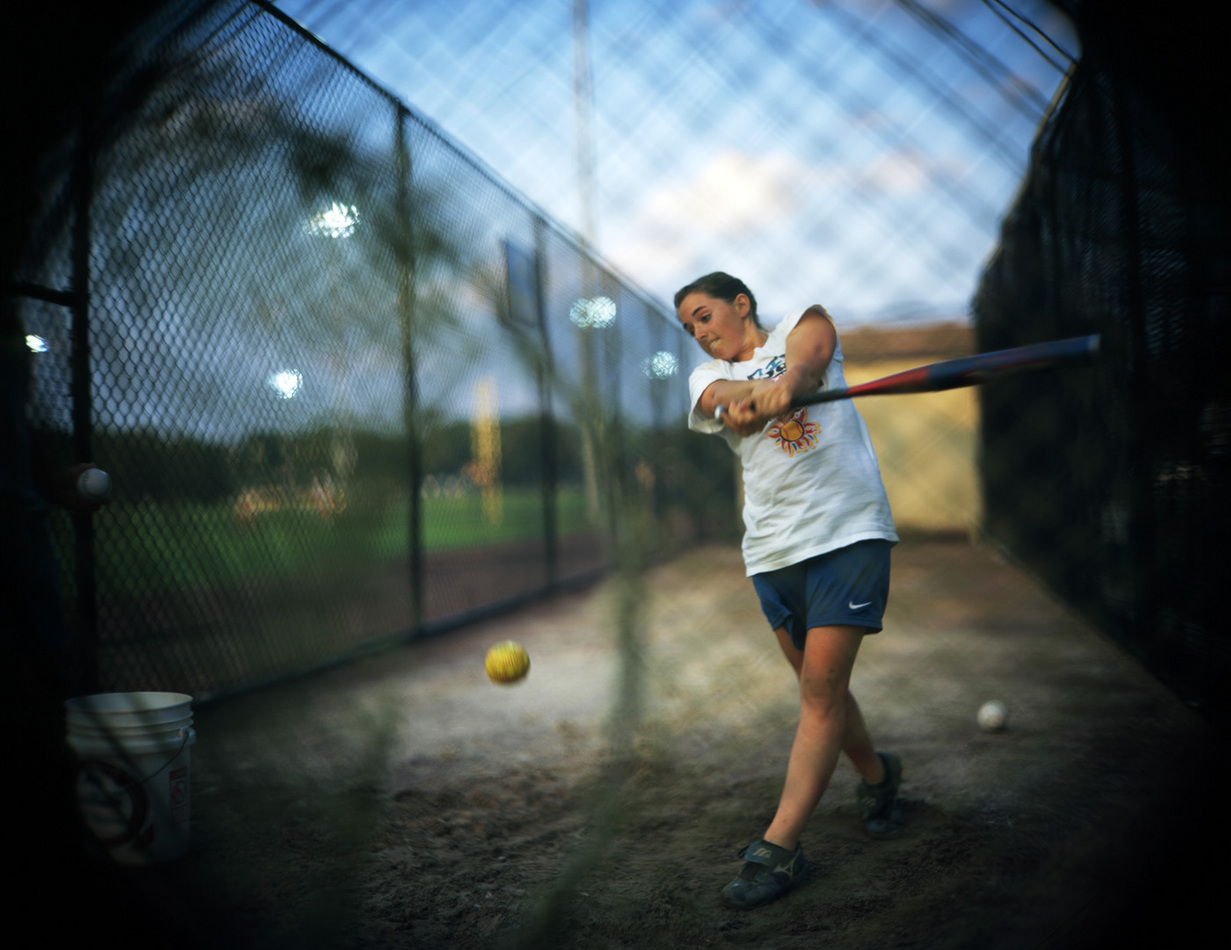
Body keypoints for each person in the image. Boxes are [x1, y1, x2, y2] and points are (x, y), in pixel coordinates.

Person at [674, 272, 904, 910]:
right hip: (772, 550)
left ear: (740, 304)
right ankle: (880, 778)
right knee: (818, 687)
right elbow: (719, 398)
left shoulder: (804, 319)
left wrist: (786, 388)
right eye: (689, 326)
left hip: (847, 533)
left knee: (820, 691)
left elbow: (808, 364)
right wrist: (745, 403)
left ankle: (781, 846)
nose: (698, 332)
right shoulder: (702, 379)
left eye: (704, 315)